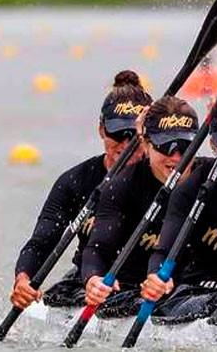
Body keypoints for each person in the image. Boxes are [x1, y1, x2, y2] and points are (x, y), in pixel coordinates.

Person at [9, 70, 151, 310]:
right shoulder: (75, 182)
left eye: (134, 135)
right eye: (117, 133)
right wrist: (23, 280)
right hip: (88, 281)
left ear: (149, 136)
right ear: (101, 131)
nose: (126, 144)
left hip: (148, 283)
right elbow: (42, 242)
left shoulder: (169, 180)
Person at [140, 91, 217, 322]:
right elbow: (164, 251)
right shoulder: (193, 187)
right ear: (212, 144)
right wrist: (156, 278)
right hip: (206, 288)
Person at [81, 95, 202, 317]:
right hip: (133, 289)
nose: (176, 157)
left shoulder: (211, 178)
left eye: (185, 146)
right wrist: (94, 279)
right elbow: (97, 249)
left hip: (196, 290)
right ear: (145, 144)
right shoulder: (121, 186)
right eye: (166, 146)